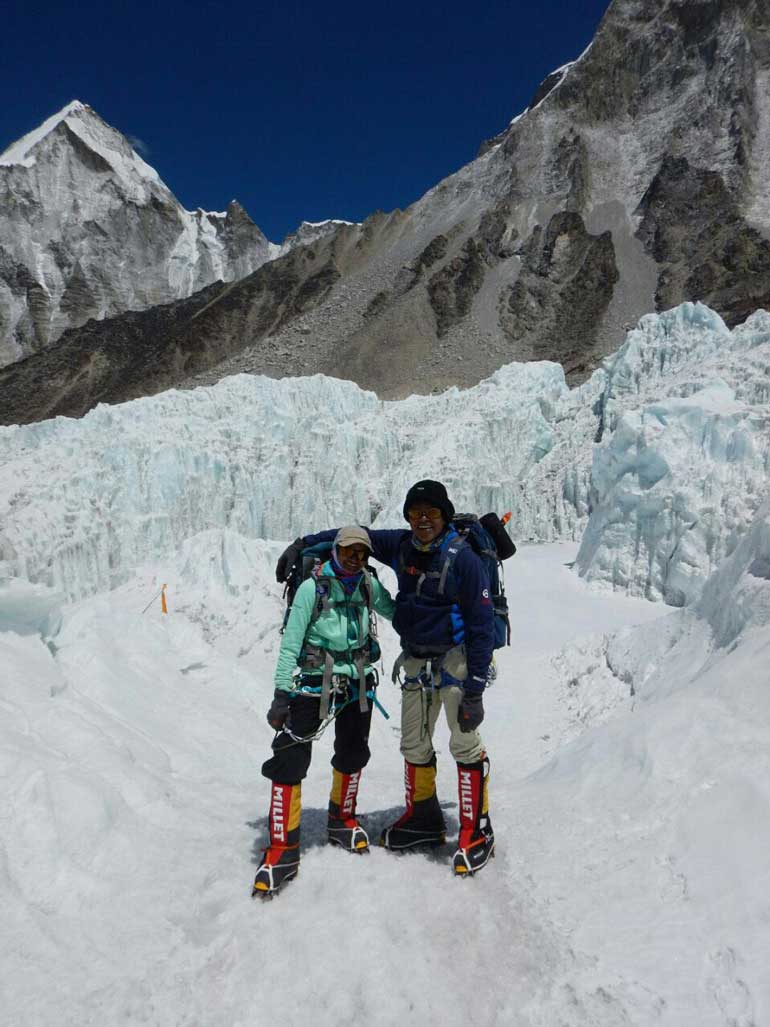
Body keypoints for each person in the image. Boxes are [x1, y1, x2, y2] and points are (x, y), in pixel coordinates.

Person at [275, 480, 496, 877]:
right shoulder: (402, 544)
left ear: (444, 514)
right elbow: (354, 537)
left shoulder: (464, 560)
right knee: (413, 743)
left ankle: (476, 831)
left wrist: (476, 689)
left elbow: (481, 627)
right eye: (415, 513)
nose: (422, 519)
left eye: (431, 512)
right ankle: (423, 817)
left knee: (464, 742)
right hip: (415, 662)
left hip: (456, 661)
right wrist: (303, 543)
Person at [253, 525, 395, 898]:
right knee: (289, 757)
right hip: (315, 683)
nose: (355, 558)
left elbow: (395, 612)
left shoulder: (367, 585)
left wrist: (435, 625)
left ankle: (342, 819)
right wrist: (281, 695)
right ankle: (282, 846)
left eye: (362, 553)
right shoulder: (310, 588)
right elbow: (290, 644)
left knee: (352, 752)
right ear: (336, 549)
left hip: (358, 682)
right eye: (349, 550)